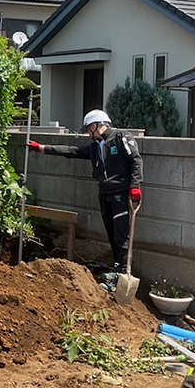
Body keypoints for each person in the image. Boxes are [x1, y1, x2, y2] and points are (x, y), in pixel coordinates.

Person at [27, 109, 142, 270]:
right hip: (104, 194)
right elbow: (71, 151)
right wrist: (42, 148)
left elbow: (136, 160)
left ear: (97, 125)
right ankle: (117, 268)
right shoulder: (95, 148)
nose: (88, 134)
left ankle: (124, 271)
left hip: (120, 194)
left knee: (121, 235)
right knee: (111, 233)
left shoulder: (121, 137)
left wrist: (135, 185)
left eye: (89, 129)